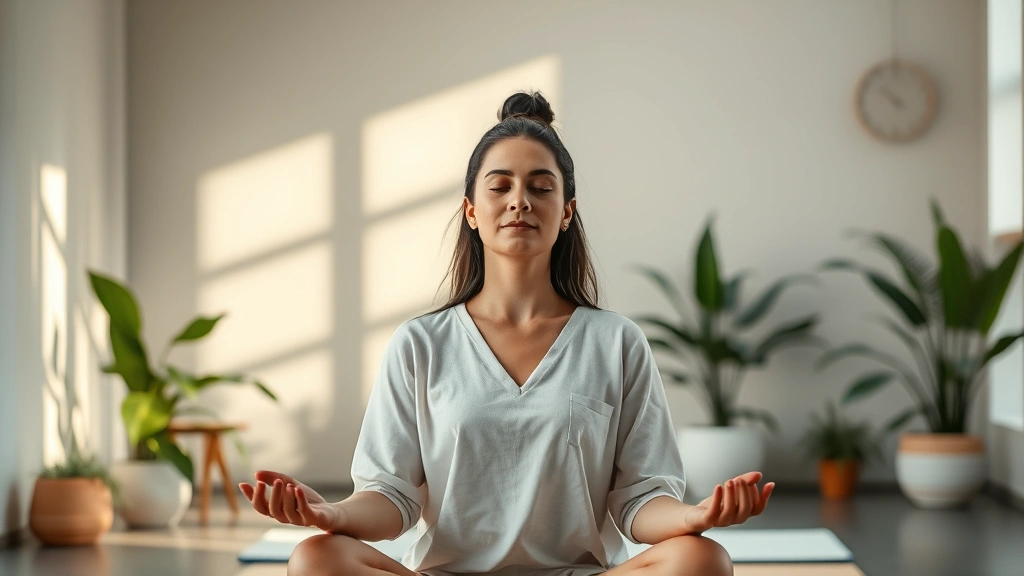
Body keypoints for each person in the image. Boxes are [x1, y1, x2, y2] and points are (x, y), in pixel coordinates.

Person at [240, 91, 774, 576]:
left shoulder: (616, 342)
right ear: (472, 211)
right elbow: (392, 498)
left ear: (566, 213)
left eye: (541, 188)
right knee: (315, 558)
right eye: (501, 186)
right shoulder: (420, 344)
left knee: (702, 559)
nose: (520, 200)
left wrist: (694, 515)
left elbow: (638, 501)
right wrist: (330, 513)